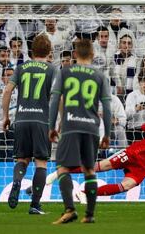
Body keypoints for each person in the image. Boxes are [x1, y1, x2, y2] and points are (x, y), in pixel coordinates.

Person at [49, 38, 112, 224]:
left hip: (71, 126)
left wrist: (52, 126)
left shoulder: (65, 72)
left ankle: (70, 209)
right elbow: (107, 107)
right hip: (92, 128)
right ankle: (90, 214)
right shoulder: (100, 75)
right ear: (92, 54)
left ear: (75, 55)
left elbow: (54, 100)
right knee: (89, 169)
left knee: (62, 167)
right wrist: (107, 133)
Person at [2, 34, 56, 214]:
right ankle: (34, 205)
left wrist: (5, 116)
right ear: (49, 51)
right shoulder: (52, 69)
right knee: (41, 163)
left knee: (22, 159)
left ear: (32, 50)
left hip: (22, 119)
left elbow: (8, 90)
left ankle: (17, 181)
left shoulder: (21, 68)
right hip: (41, 120)